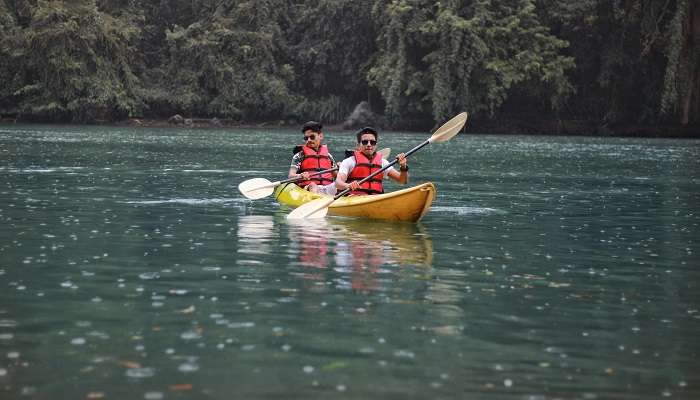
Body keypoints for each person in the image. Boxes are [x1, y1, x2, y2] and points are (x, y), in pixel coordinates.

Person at [335, 127, 408, 195]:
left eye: (372, 142)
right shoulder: (349, 161)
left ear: (376, 145)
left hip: (375, 199)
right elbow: (338, 183)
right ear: (358, 145)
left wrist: (403, 166)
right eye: (365, 142)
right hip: (353, 199)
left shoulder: (383, 162)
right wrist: (348, 185)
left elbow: (402, 180)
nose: (369, 145)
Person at [288, 121, 337, 195]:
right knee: (313, 185)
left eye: (312, 137)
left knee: (339, 185)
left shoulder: (328, 156)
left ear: (320, 136)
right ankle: (316, 201)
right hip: (308, 189)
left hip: (327, 188)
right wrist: (300, 175)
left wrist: (341, 168)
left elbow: (337, 175)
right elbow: (291, 176)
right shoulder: (299, 156)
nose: (309, 140)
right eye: (306, 138)